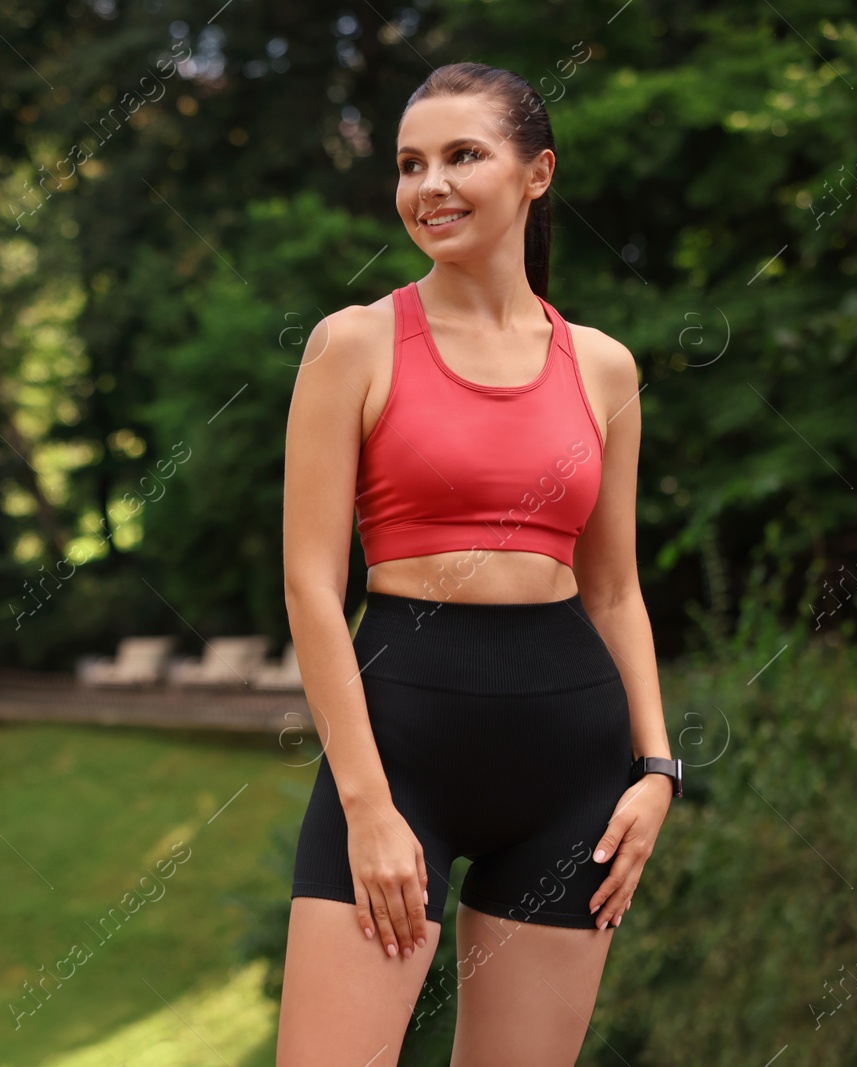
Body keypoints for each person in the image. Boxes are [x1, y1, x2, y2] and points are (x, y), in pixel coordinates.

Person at [276, 62, 679, 1065]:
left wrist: (657, 765)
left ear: (536, 173)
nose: (429, 186)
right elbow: (309, 589)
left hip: (572, 764)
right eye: (411, 164)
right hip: (400, 745)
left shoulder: (602, 364)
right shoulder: (352, 346)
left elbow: (615, 587)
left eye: (463, 155)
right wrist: (367, 807)